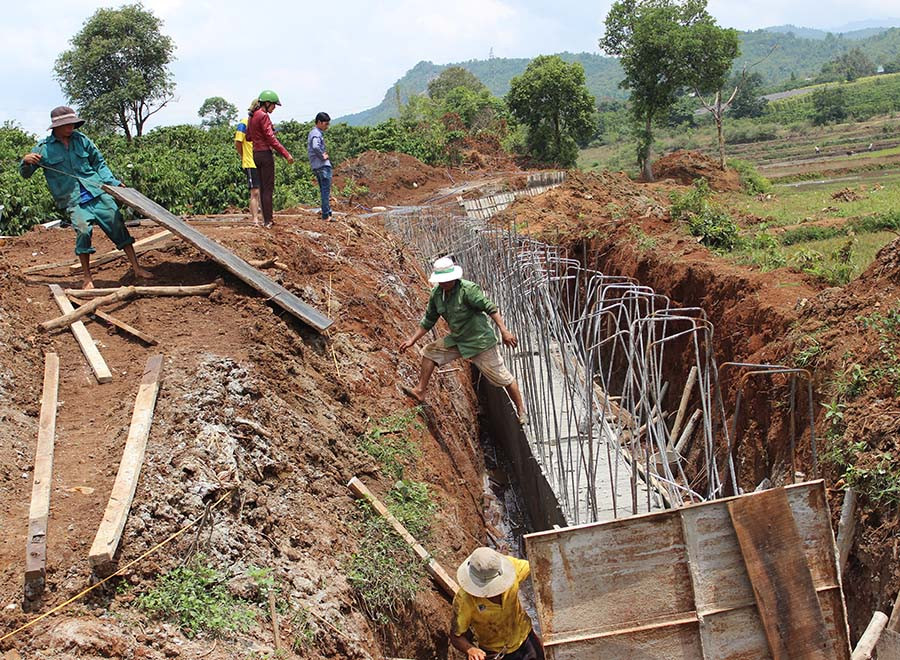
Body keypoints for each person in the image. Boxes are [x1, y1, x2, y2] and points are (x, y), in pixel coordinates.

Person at [19, 106, 153, 289]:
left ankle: (137, 268)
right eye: (67, 124)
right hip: (73, 200)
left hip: (97, 191)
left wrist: (111, 182)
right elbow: (26, 174)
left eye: (72, 124)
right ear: (56, 127)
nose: (71, 127)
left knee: (117, 225)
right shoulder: (44, 148)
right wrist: (26, 162)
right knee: (83, 231)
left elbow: (99, 163)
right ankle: (87, 278)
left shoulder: (82, 140)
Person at [399, 256, 527, 425]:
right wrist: (412, 340)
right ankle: (420, 390)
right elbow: (429, 320)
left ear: (454, 277)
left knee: (502, 379)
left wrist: (504, 331)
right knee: (429, 352)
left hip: (480, 342)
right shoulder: (437, 294)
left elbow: (491, 308)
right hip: (458, 339)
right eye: (441, 281)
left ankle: (521, 411)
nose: (444, 284)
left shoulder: (468, 290)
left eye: (447, 280)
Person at [450, 547, 544, 660]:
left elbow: (539, 564)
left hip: (525, 638)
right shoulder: (464, 600)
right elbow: (456, 636)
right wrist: (470, 649)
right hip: (495, 652)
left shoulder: (512, 567)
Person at [248, 90, 294, 228]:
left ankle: (265, 219)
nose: (274, 108)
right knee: (268, 189)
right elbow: (271, 139)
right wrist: (286, 154)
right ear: (267, 103)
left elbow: (248, 137)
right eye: (273, 105)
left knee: (262, 188)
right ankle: (268, 220)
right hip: (265, 154)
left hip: (255, 154)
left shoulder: (252, 116)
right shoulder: (263, 116)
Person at [235, 99, 261, 225]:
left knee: (261, 191)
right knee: (254, 191)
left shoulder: (262, 123)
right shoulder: (244, 123)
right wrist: (243, 155)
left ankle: (261, 216)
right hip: (250, 161)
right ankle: (255, 218)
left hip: (261, 161)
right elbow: (238, 142)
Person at [307, 112, 332, 221]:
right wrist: (323, 156)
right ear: (319, 122)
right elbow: (316, 146)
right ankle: (326, 215)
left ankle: (327, 212)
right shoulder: (316, 133)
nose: (327, 126)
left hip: (316, 166)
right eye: (326, 124)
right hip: (322, 166)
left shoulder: (313, 133)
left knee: (323, 190)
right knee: (325, 191)